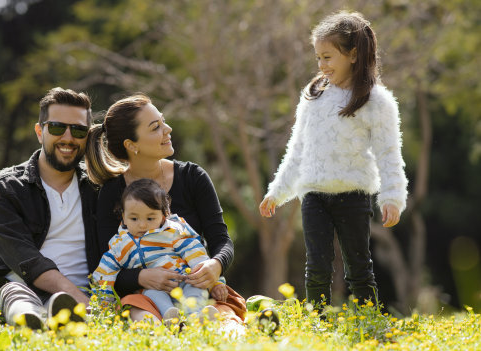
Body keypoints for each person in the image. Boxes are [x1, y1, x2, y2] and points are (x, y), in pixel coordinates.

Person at [259, 11, 408, 307]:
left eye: (328, 57)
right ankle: (319, 323)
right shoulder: (313, 96)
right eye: (318, 58)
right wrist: (277, 192)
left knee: (359, 269)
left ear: (353, 55)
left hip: (354, 195)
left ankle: (369, 323)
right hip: (314, 194)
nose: (321, 65)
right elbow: (298, 149)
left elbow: (389, 153)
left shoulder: (376, 102)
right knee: (316, 267)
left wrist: (392, 197)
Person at [85, 94, 247, 324]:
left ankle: (220, 331)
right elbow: (106, 263)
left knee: (225, 319)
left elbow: (221, 239)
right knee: (142, 315)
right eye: (156, 127)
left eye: (163, 121)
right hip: (145, 298)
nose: (167, 129)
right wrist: (141, 277)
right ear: (132, 145)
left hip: (196, 289)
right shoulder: (112, 192)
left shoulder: (193, 177)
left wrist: (215, 264)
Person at [0, 87, 101, 329]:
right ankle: (31, 322)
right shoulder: (2, 187)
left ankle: (57, 313)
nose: (68, 138)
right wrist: (80, 300)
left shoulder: (99, 188)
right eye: (58, 127)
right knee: (16, 295)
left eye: (79, 130)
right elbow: (26, 259)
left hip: (83, 294)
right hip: (19, 288)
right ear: (40, 132)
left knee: (58, 303)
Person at [93, 178, 227, 322]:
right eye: (134, 219)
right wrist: (103, 302)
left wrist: (215, 282)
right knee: (151, 295)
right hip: (153, 288)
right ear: (123, 217)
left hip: (184, 279)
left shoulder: (172, 231)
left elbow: (196, 254)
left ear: (163, 216)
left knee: (196, 288)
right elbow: (105, 272)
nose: (142, 225)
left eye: (150, 218)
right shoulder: (120, 244)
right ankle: (169, 315)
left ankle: (196, 316)